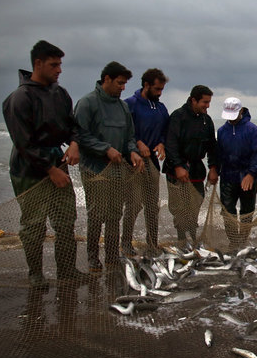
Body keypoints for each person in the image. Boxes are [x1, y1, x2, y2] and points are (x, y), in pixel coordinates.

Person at [3, 40, 86, 288]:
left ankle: (68, 271)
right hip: (29, 171)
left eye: (60, 64)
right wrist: (49, 170)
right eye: (54, 65)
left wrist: (74, 144)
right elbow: (23, 143)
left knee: (65, 221)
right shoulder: (19, 98)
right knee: (34, 225)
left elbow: (74, 127)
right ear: (37, 64)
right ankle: (36, 275)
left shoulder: (60, 94)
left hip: (57, 165)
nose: (59, 70)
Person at [75, 61, 143, 271]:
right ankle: (93, 257)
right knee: (97, 214)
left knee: (115, 213)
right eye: (120, 83)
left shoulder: (123, 107)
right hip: (94, 170)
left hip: (117, 169)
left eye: (125, 84)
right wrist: (105, 149)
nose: (123, 88)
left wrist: (132, 150)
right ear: (106, 79)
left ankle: (113, 256)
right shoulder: (87, 103)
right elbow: (79, 135)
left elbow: (129, 137)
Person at [121, 68, 170, 257]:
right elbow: (124, 132)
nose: (160, 93)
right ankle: (126, 244)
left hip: (153, 164)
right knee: (133, 205)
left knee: (152, 205)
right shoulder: (130, 104)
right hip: (132, 163)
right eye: (157, 89)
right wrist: (137, 143)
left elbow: (166, 130)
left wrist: (161, 143)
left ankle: (152, 244)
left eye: (162, 90)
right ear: (146, 85)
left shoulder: (161, 108)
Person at [162, 85, 218, 247]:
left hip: (196, 170)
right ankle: (181, 239)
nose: (207, 106)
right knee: (179, 208)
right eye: (204, 102)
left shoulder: (206, 120)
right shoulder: (178, 117)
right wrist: (178, 166)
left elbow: (212, 147)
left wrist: (213, 168)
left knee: (195, 204)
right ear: (193, 100)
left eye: (209, 102)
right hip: (175, 170)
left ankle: (193, 236)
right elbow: (170, 144)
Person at [217, 97, 257, 250]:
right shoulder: (221, 131)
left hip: (248, 178)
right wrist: (214, 170)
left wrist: (252, 174)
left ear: (241, 111)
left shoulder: (252, 130)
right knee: (228, 212)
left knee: (247, 211)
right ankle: (233, 241)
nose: (231, 121)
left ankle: (243, 240)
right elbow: (218, 154)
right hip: (227, 177)